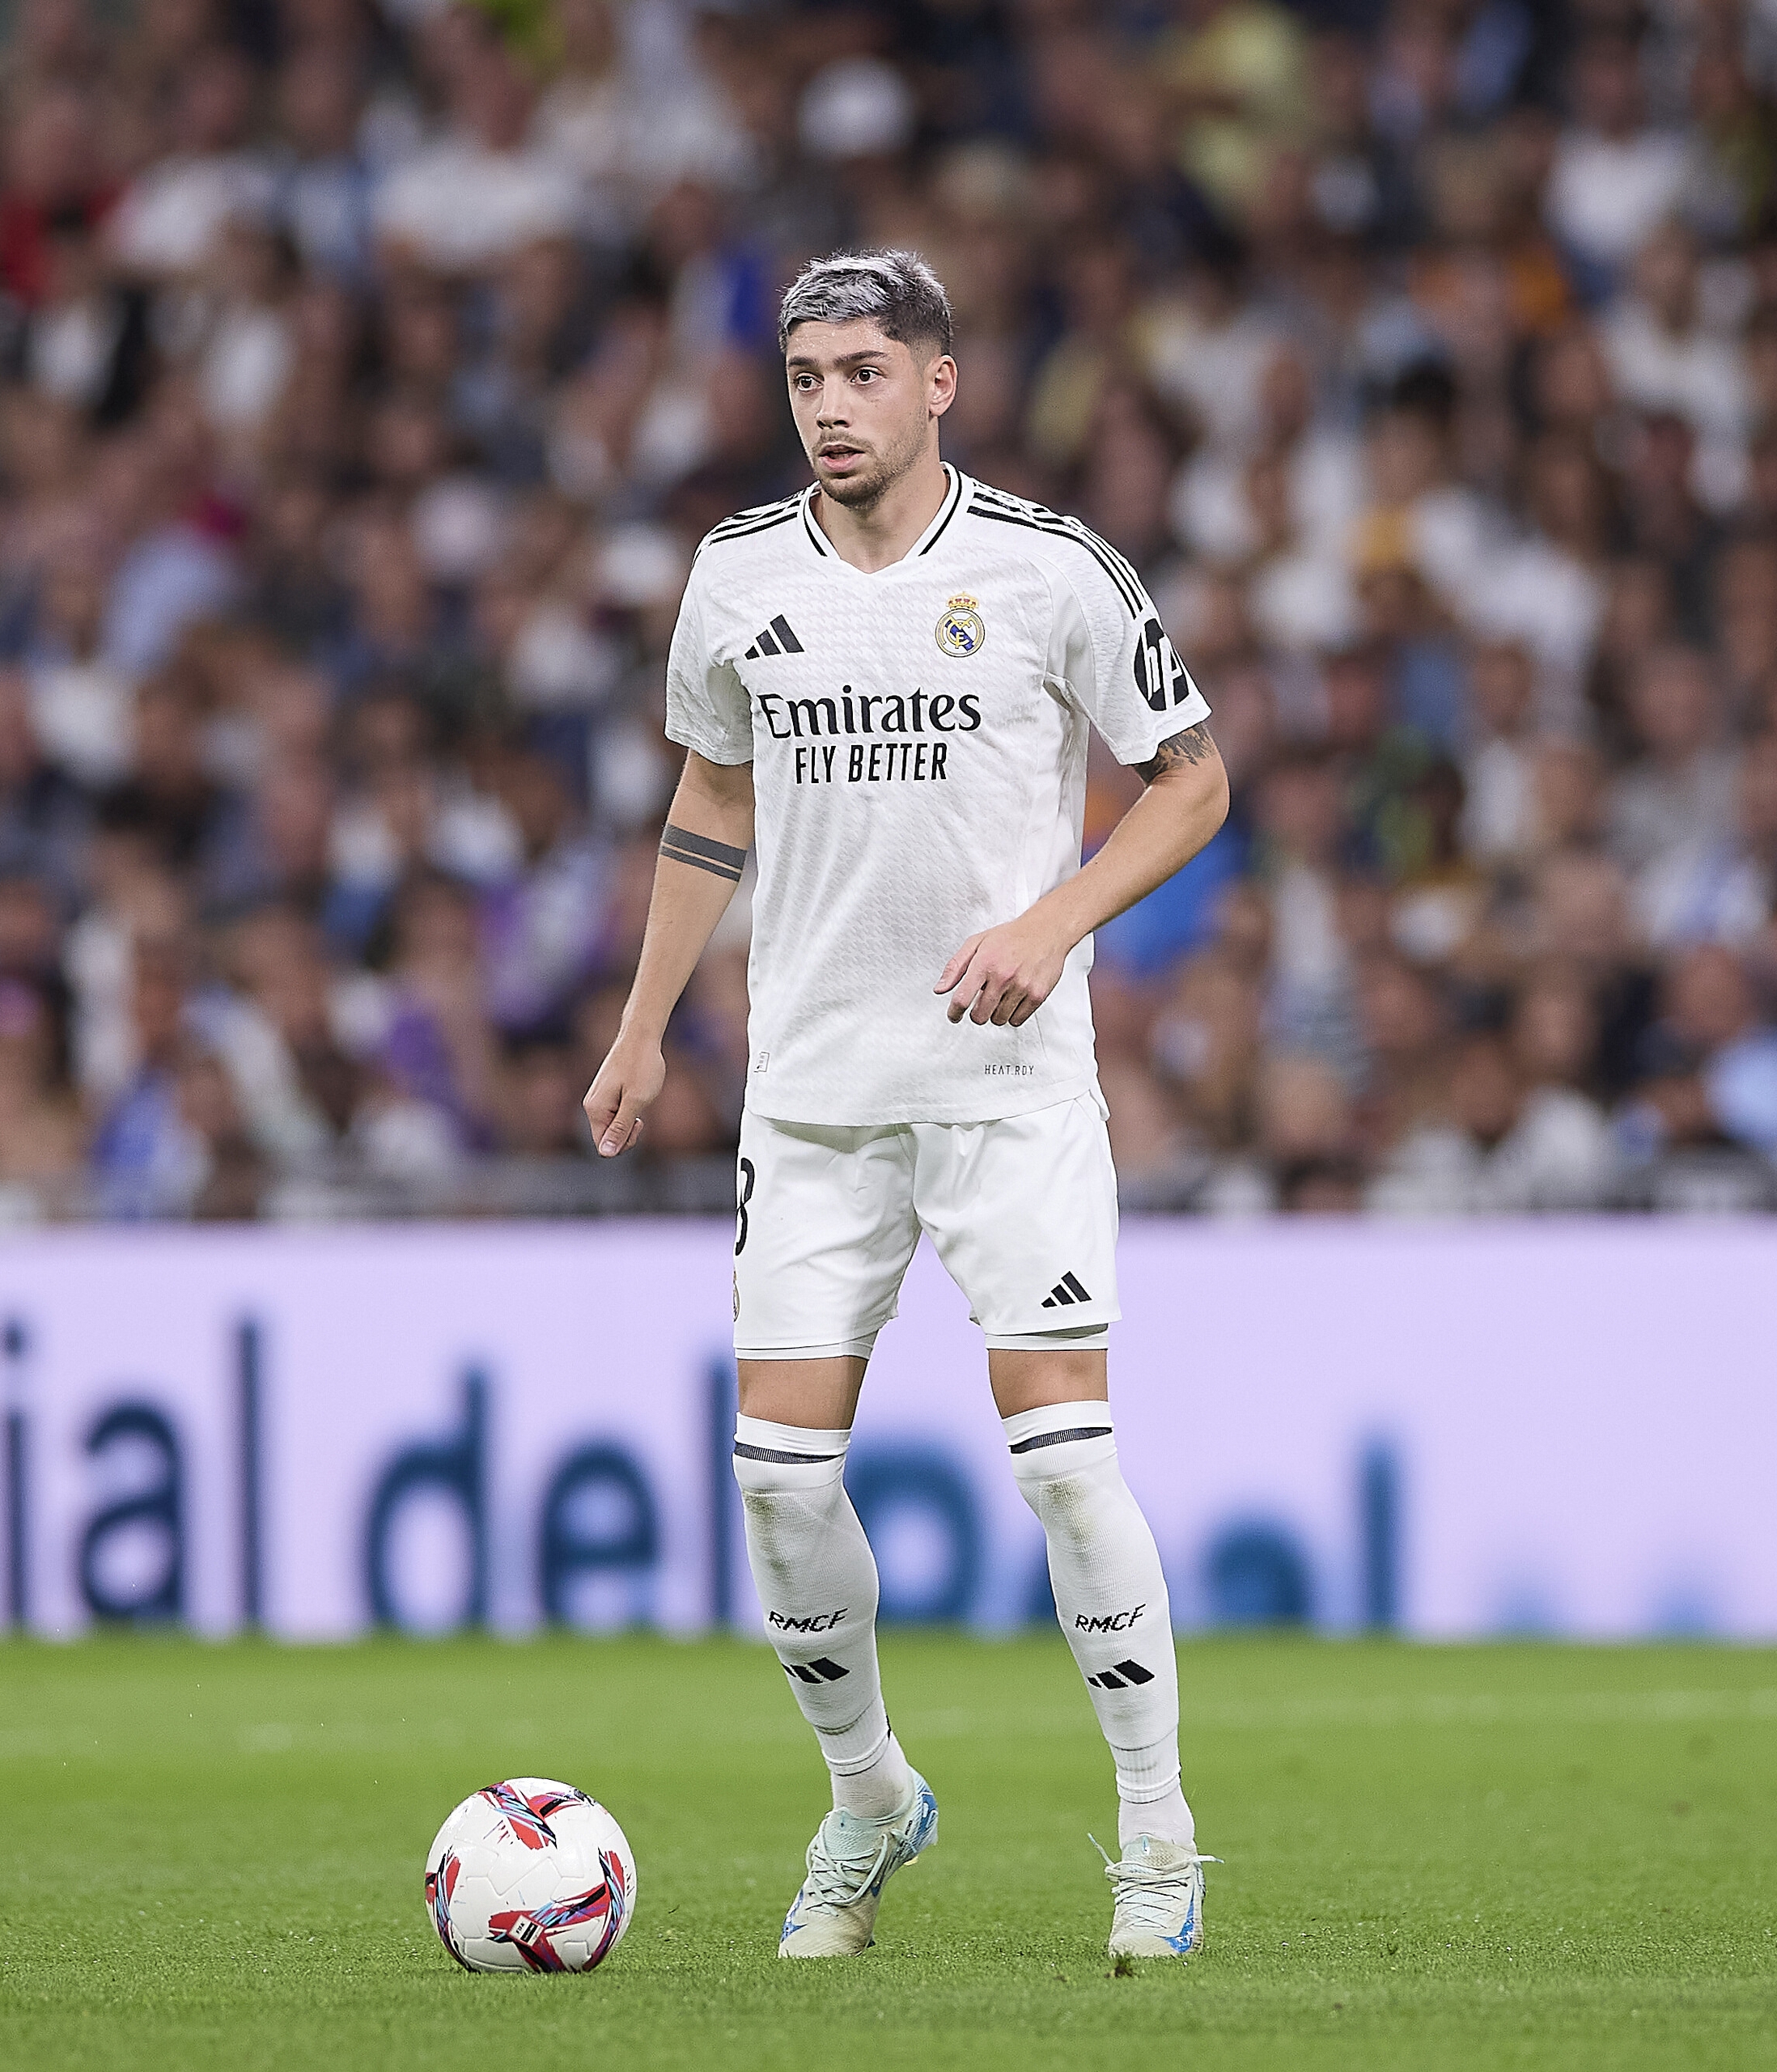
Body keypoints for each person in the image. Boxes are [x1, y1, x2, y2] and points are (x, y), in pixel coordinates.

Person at [582, 252, 1229, 1964]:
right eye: (806, 379)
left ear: (940, 382)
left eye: (865, 372)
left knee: (1070, 1466)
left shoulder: (1046, 570)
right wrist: (644, 1027)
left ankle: (1156, 1838)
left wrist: (1051, 921)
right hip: (811, 1100)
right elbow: (710, 797)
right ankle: (869, 1798)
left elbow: (1195, 781)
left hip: (1008, 1095)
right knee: (781, 1484)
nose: (832, 407)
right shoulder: (732, 579)